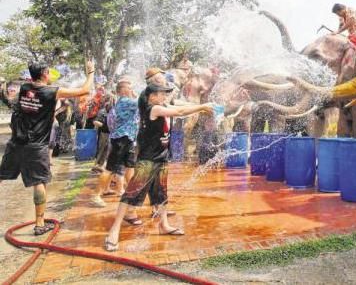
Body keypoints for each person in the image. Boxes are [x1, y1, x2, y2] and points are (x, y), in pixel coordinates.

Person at [104, 82, 214, 251]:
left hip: (161, 159)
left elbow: (182, 106)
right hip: (148, 160)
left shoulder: (162, 105)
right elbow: (180, 112)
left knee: (161, 194)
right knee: (131, 193)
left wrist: (203, 106)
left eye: (165, 94)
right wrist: (202, 107)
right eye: (162, 94)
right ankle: (114, 230)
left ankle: (164, 225)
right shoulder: (153, 109)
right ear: (152, 96)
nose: (165, 97)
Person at [0, 60, 94, 235]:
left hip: (16, 142)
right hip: (36, 145)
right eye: (49, 72)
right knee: (39, 182)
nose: (51, 75)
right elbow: (85, 90)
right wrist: (91, 73)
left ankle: (40, 223)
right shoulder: (51, 91)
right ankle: (39, 224)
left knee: (2, 175)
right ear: (44, 73)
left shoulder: (25, 88)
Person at [92, 81, 139, 212]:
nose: (132, 89)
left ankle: (132, 192)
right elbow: (144, 103)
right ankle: (96, 195)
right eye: (130, 87)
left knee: (130, 166)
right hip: (121, 139)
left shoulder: (125, 102)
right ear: (123, 90)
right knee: (110, 169)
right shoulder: (125, 102)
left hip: (128, 139)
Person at [331, 3, 356, 79]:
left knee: (352, 42)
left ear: (341, 9)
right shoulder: (341, 17)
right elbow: (341, 26)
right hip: (351, 35)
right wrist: (336, 32)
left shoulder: (350, 10)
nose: (338, 15)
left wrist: (338, 32)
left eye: (338, 13)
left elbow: (350, 22)